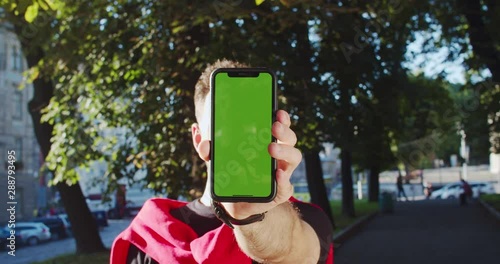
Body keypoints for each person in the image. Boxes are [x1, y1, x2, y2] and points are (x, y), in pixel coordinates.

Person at [110, 59, 334, 264]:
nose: (243, 132)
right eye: (226, 119)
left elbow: (291, 253)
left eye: (251, 119)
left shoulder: (307, 219)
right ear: (199, 139)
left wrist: (247, 216)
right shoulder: (149, 239)